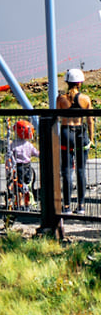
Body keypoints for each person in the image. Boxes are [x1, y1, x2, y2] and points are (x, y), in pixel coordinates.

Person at [57, 68, 93, 212]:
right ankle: (81, 205)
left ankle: (66, 206)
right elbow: (90, 121)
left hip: (66, 133)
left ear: (67, 82)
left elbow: (57, 117)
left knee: (66, 171)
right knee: (81, 170)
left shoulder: (60, 99)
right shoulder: (85, 99)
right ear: (79, 83)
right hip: (80, 133)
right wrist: (91, 138)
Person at [4, 119, 39, 209]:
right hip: (28, 166)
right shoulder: (29, 145)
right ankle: (27, 205)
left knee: (18, 187)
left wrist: (8, 166)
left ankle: (18, 204)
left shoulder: (13, 144)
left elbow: (9, 156)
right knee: (27, 186)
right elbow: (36, 153)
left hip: (18, 167)